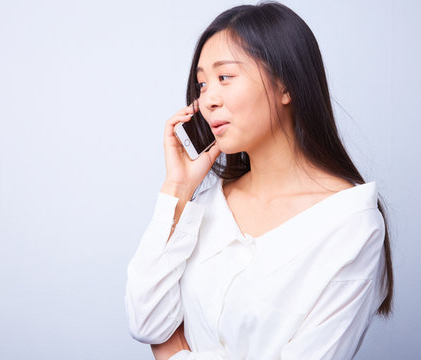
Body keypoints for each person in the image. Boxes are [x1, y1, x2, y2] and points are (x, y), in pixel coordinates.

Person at [125, 2, 393, 359]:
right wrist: (178, 187)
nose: (208, 100)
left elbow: (163, 341)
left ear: (286, 86)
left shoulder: (351, 225)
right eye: (202, 84)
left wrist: (174, 354)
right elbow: (145, 323)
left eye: (224, 77)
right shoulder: (204, 202)